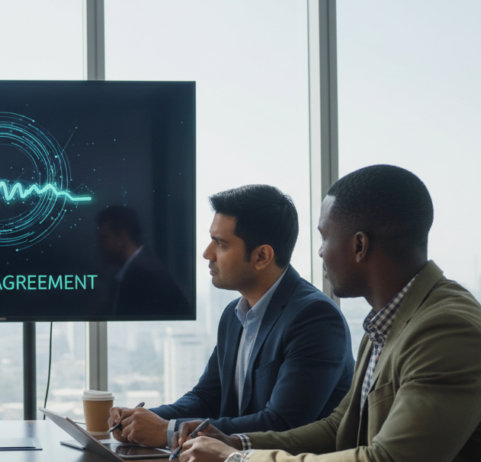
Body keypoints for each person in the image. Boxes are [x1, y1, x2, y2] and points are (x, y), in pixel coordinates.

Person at [178, 165, 481, 462]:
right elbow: (340, 428)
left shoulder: (448, 331)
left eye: (324, 237)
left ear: (359, 245)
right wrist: (237, 442)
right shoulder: (387, 322)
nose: (318, 253)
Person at [109, 185, 353, 448]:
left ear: (262, 256)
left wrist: (167, 432)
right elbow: (207, 397)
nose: (207, 253)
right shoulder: (233, 314)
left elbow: (282, 423)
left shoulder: (314, 318)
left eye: (221, 244)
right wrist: (142, 420)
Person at [96, 205, 191, 317]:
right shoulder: (142, 267)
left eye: (103, 238)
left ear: (121, 238)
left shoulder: (141, 276)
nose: (99, 245)